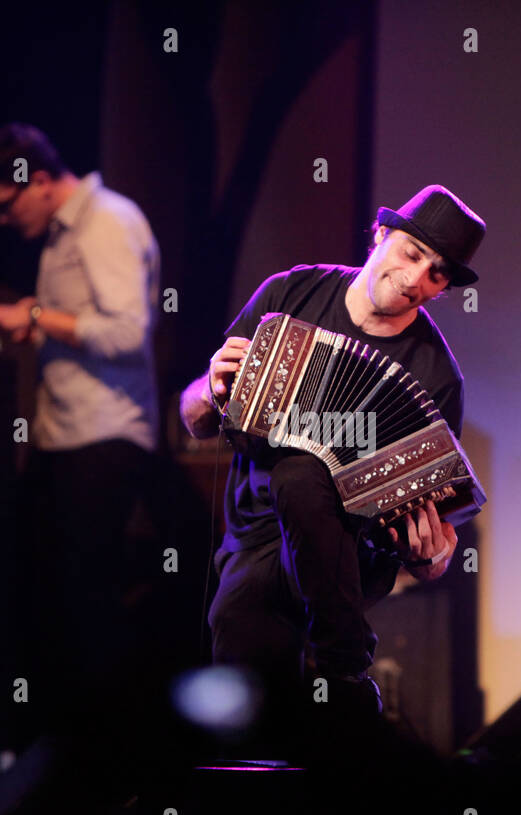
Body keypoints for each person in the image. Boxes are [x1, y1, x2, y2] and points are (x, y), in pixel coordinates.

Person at [180, 184, 486, 742]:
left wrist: (434, 554)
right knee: (242, 673)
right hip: (260, 534)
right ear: (381, 235)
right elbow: (198, 418)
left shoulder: (436, 376)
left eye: (437, 273)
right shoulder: (291, 293)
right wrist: (209, 386)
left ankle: (342, 667)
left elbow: (431, 537)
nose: (418, 277)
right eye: (412, 253)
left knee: (300, 473)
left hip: (348, 553)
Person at [0, 123, 161, 721]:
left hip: (102, 438)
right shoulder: (67, 230)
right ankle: (61, 757)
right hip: (67, 436)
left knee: (85, 605)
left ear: (41, 181)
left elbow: (128, 332)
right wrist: (41, 323)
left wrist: (33, 314)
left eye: (6, 204)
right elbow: (87, 324)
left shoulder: (105, 219)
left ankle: (106, 760)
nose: (2, 220)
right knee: (48, 600)